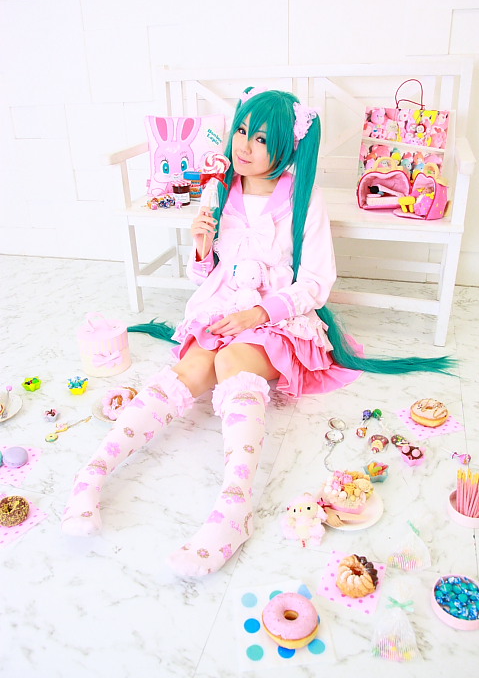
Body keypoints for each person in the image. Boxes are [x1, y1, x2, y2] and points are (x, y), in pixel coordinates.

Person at [61, 87, 454, 577]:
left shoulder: (303, 200)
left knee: (231, 360)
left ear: (288, 146)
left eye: (262, 138)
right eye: (242, 130)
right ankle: (93, 472)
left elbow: (316, 282)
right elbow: (206, 275)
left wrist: (257, 315)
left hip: (277, 317)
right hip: (223, 304)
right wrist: (201, 246)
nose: (244, 144)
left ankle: (233, 510)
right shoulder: (220, 190)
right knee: (191, 367)